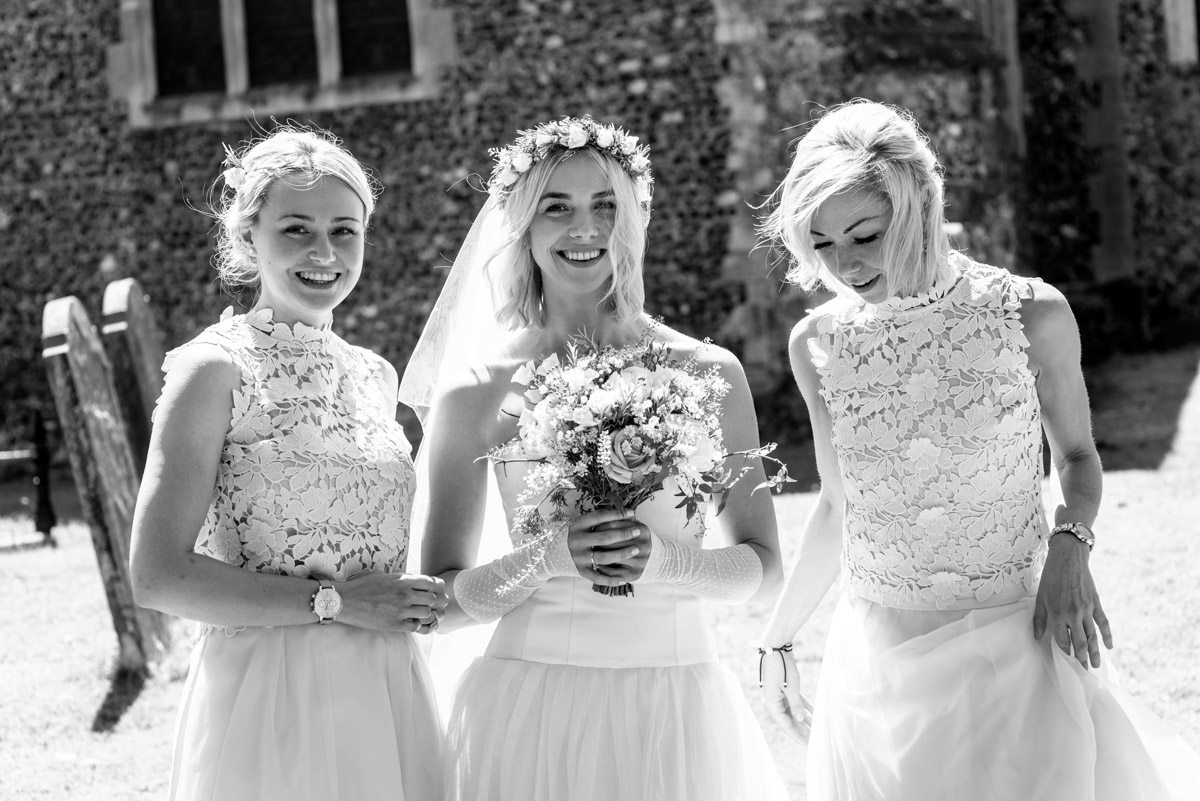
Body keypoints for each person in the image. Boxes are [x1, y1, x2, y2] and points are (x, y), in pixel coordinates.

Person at [756, 100, 1200, 800]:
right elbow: (840, 504)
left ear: (919, 206)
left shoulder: (1032, 312)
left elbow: (1078, 457)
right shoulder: (816, 344)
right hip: (879, 659)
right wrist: (778, 635)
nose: (844, 263)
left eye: (865, 234)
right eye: (822, 243)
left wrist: (1070, 546)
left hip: (1015, 635)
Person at [399, 115, 790, 801]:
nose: (585, 229)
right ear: (522, 223)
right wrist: (549, 555)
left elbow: (760, 569)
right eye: (558, 207)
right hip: (529, 708)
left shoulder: (711, 372)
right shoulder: (476, 391)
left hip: (675, 707)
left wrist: (671, 561)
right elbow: (445, 602)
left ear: (636, 216)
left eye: (605, 205)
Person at [129, 126, 448, 801]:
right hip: (267, 694)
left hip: (387, 686)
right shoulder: (211, 369)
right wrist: (336, 603)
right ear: (249, 236)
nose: (324, 253)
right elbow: (157, 574)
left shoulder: (376, 374)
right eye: (297, 229)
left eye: (344, 230)